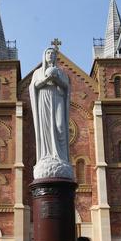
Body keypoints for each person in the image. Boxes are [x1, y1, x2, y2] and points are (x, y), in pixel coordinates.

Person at [29, 46, 73, 180]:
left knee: (60, 127)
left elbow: (66, 87)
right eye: (48, 53)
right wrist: (46, 79)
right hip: (44, 99)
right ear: (44, 55)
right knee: (46, 128)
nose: (50, 55)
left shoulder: (61, 72)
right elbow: (33, 86)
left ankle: (60, 157)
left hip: (58, 99)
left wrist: (57, 80)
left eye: (53, 53)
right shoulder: (37, 72)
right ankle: (46, 156)